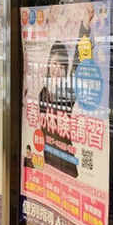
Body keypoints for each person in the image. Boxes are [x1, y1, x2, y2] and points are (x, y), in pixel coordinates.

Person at [40, 41, 78, 178]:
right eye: (54, 64)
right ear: (49, 64)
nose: (57, 70)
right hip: (48, 154)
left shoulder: (69, 92)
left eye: (62, 66)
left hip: (64, 158)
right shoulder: (43, 92)